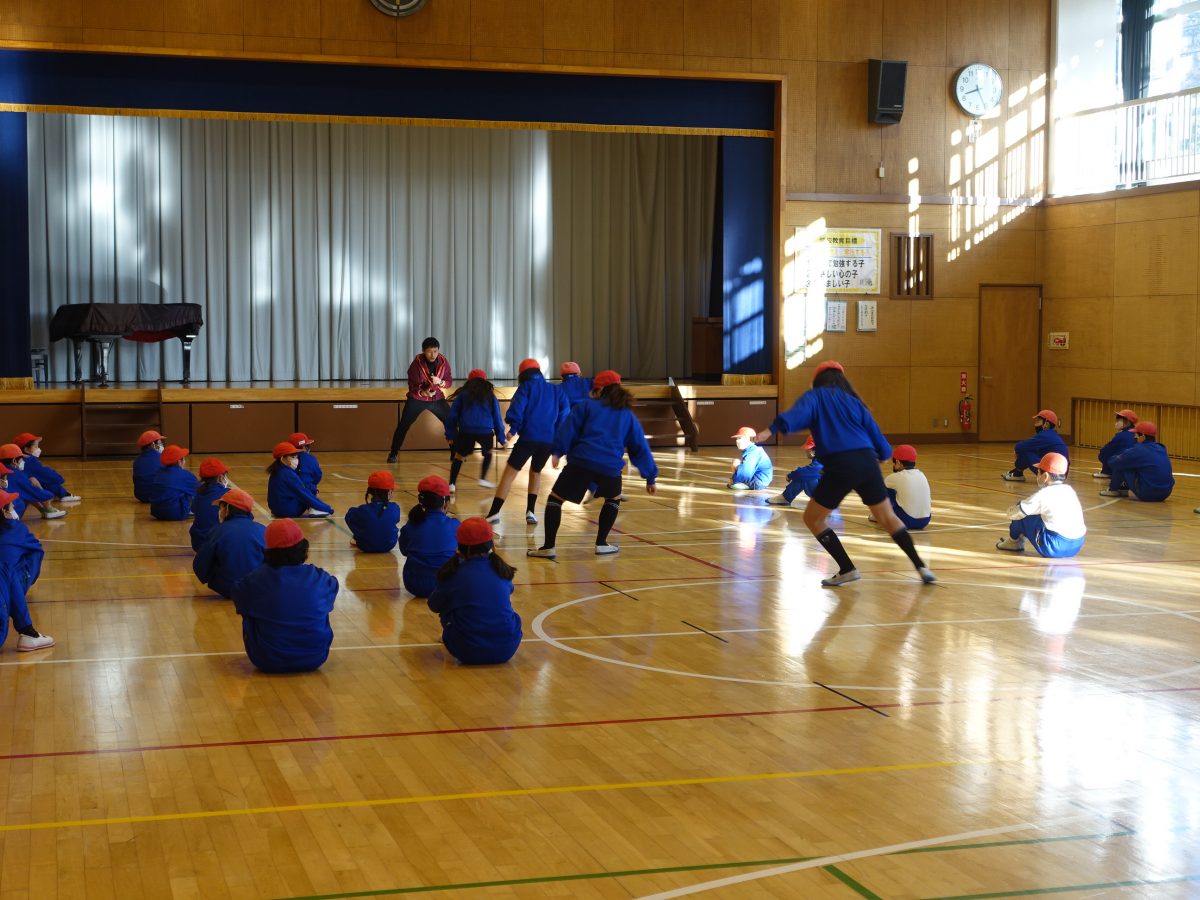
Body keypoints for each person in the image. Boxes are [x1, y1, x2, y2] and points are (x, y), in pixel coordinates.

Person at [754, 361, 935, 586]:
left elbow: (794, 416)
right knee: (888, 518)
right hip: (867, 463)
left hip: (840, 464)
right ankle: (921, 567)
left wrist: (768, 431)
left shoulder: (815, 396)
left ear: (817, 379)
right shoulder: (855, 403)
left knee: (813, 519)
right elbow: (882, 444)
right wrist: (882, 455)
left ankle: (847, 568)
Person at [528, 370, 658, 559]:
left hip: (581, 462)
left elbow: (568, 429)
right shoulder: (627, 415)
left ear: (600, 389)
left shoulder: (586, 406)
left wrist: (557, 451)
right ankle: (602, 544)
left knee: (555, 500)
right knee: (613, 499)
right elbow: (639, 446)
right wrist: (650, 476)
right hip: (609, 467)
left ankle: (548, 547)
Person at [231, 519, 339, 673]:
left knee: (250, 609)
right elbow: (333, 587)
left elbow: (238, 594)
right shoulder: (319, 577)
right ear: (303, 548)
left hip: (267, 660)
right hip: (315, 657)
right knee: (321, 607)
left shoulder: (256, 579)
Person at [485, 358, 569, 526]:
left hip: (528, 439)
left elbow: (517, 409)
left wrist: (513, 429)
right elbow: (565, 413)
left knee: (509, 475)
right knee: (536, 472)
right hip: (548, 441)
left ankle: (493, 513)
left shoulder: (525, 387)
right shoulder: (556, 390)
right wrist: (556, 436)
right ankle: (531, 512)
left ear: (522, 374)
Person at [428, 517, 521, 665]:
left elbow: (434, 605)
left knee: (448, 609)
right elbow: (509, 590)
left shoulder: (454, 573)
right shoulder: (502, 570)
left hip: (466, 650)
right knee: (510, 614)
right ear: (491, 544)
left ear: (459, 545)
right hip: (507, 649)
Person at [996, 452, 1085, 557]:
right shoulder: (1069, 490)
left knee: (1022, 510)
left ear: (1045, 476)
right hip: (1076, 546)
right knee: (1036, 513)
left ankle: (1014, 542)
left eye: (1038, 472)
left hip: (1055, 547)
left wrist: (1010, 512)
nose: (1037, 475)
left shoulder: (1044, 495)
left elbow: (1016, 513)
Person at [0, 489, 55, 651]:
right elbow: (37, 550)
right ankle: (27, 632)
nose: (13, 507)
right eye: (10, 505)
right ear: (3, 512)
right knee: (9, 572)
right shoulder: (13, 532)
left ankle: (28, 631)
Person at [387, 337, 453, 463]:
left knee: (451, 423)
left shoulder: (444, 362)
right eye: (429, 352)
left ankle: (455, 453)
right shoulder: (416, 364)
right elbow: (412, 385)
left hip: (436, 398)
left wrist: (440, 382)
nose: (432, 355)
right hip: (417, 399)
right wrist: (422, 392)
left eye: (435, 351)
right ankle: (393, 453)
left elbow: (449, 382)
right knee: (403, 425)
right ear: (423, 351)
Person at [192, 488, 267, 599]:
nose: (219, 511)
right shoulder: (262, 530)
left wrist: (209, 578)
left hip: (227, 588)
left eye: (221, 507)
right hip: (256, 587)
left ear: (227, 508)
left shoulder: (217, 531)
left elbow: (200, 564)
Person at [445, 368, 506, 492]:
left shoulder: (463, 394)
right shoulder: (490, 395)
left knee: (459, 456)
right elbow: (497, 417)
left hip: (466, 430)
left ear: (469, 380)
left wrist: (450, 434)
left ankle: (452, 484)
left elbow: (452, 415)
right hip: (485, 430)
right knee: (488, 453)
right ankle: (483, 478)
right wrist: (501, 438)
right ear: (484, 380)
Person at [397, 475, 459, 597]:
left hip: (414, 584)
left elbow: (404, 551)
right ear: (446, 504)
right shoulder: (455, 525)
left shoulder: (411, 525)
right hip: (446, 584)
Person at [1102, 421, 1175, 501]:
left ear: (1143, 436)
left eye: (1136, 434)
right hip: (1166, 493)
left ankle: (1113, 490)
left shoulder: (1139, 450)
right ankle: (1123, 489)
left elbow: (1114, 463)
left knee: (1122, 463)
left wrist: (1115, 457)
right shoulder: (1161, 447)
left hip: (1147, 494)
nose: (1134, 437)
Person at [266, 442, 333, 518]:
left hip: (275, 510)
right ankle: (314, 509)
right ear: (282, 459)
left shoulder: (276, 471)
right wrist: (328, 508)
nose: (296, 460)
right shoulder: (288, 474)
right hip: (288, 511)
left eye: (297, 457)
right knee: (309, 490)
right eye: (293, 457)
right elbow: (304, 494)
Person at [0, 444, 66, 519]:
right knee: (28, 493)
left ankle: (45, 510)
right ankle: (49, 509)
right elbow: (38, 493)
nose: (23, 462)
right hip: (7, 514)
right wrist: (49, 495)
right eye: (22, 459)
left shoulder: (5, 471)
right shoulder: (15, 474)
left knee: (26, 489)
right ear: (14, 461)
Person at [874, 444, 932, 530]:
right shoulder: (921, 474)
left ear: (898, 462)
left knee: (886, 492)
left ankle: (878, 517)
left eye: (894, 463)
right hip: (925, 521)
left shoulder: (895, 477)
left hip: (907, 521)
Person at [1003, 410, 1069, 481]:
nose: (1035, 424)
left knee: (1027, 452)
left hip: (1052, 475)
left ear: (1046, 424)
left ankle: (1017, 473)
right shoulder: (1053, 435)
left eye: (1038, 421)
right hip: (1062, 475)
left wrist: (1017, 453)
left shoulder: (1044, 436)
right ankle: (1017, 472)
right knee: (1032, 450)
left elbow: (1019, 447)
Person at [14, 432, 80, 502]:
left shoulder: (19, 459)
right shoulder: (30, 460)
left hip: (21, 487)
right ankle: (64, 495)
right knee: (48, 481)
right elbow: (45, 473)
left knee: (41, 479)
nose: (38, 449)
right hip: (26, 489)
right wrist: (59, 478)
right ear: (26, 449)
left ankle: (57, 494)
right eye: (35, 447)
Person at [346, 470, 402, 552]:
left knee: (353, 514)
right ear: (389, 492)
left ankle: (358, 537)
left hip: (365, 546)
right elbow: (394, 519)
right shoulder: (395, 508)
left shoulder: (363, 510)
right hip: (389, 545)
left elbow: (349, 517)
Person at [766, 437, 822, 506]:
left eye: (808, 449)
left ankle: (785, 498)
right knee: (805, 474)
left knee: (804, 476)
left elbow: (802, 473)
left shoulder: (822, 462)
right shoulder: (823, 458)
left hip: (826, 498)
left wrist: (790, 476)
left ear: (813, 451)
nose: (806, 451)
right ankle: (785, 498)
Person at [189, 458, 231, 551]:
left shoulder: (198, 493)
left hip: (197, 543)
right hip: (216, 544)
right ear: (220, 477)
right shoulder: (227, 494)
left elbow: (193, 509)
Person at [150, 445, 199, 521]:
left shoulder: (159, 473)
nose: (185, 461)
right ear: (179, 461)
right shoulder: (185, 475)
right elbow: (200, 490)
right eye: (183, 459)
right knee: (191, 494)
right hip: (176, 514)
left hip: (156, 512)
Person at [1093, 409, 1138, 480]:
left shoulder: (1121, 435)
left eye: (1119, 420)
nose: (1117, 422)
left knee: (1105, 453)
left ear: (1128, 421)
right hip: (1136, 466)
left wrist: (1101, 453)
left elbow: (1107, 450)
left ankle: (1106, 472)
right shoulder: (1137, 433)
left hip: (1124, 465)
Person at [728, 426, 774, 490]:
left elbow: (746, 472)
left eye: (740, 438)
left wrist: (734, 480)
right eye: (737, 439)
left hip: (758, 482)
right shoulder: (753, 450)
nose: (737, 441)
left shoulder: (753, 452)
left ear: (750, 439)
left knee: (735, 463)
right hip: (760, 481)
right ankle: (738, 482)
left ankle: (738, 483)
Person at [133, 430, 166, 502]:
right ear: (153, 444)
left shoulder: (137, 460)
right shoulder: (162, 458)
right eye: (160, 443)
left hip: (141, 496)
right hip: (158, 495)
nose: (161, 445)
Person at [289, 432, 323, 497]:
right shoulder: (311, 459)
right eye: (307, 445)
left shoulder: (285, 459)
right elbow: (318, 476)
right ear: (304, 447)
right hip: (308, 494)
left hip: (289, 494)